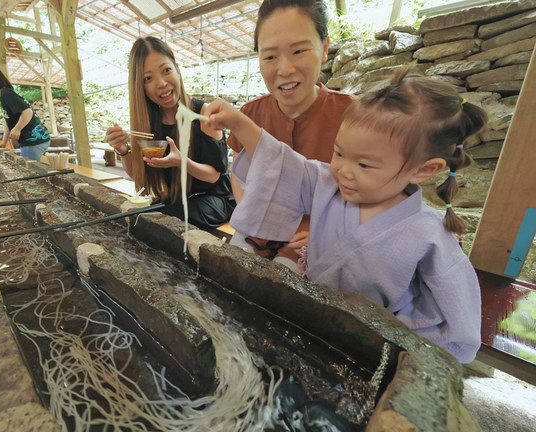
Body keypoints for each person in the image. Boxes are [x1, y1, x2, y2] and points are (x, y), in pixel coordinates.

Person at [204, 71, 484, 363]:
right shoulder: (328, 185)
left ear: (423, 170)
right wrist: (240, 123)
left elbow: (454, 329)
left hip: (371, 351)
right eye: (338, 153)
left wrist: (394, 343)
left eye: (363, 164)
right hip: (314, 326)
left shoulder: (429, 234)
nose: (343, 171)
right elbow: (285, 164)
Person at [227, 0, 354, 270]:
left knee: (287, 281)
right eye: (270, 56)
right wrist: (253, 210)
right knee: (229, 270)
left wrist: (327, 230)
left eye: (298, 51)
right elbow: (237, 173)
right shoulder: (249, 113)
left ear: (325, 48)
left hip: (317, 237)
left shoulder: (356, 116)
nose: (284, 69)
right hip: (257, 234)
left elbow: (375, 191)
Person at [106, 37, 234, 230]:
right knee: (140, 218)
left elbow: (214, 177)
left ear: (177, 69)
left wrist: (181, 161)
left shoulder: (204, 114)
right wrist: (123, 150)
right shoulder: (148, 123)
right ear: (140, 86)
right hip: (174, 201)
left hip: (214, 200)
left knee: (154, 222)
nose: (161, 83)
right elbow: (139, 176)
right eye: (148, 78)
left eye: (166, 70)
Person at [0, 66, 50, 161]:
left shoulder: (6, 94)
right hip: (38, 139)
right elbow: (9, 121)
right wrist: (4, 142)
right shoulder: (5, 94)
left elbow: (27, 112)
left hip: (33, 141)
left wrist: (17, 129)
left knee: (30, 170)